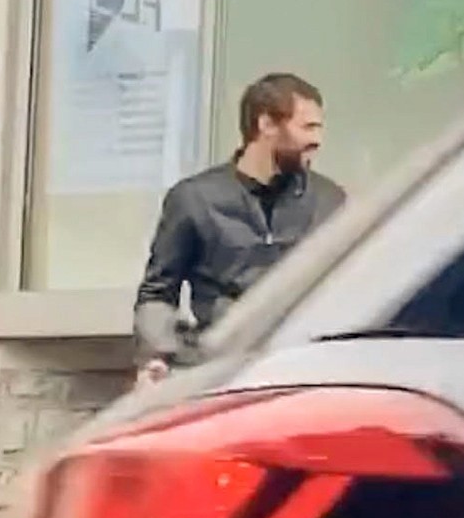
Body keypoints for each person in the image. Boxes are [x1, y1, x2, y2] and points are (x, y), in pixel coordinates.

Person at [133, 72, 346, 382]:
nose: (317, 140)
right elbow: (158, 292)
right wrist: (157, 356)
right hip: (220, 370)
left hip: (305, 368)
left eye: (319, 127)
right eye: (307, 127)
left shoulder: (329, 200)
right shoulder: (195, 199)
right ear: (267, 124)